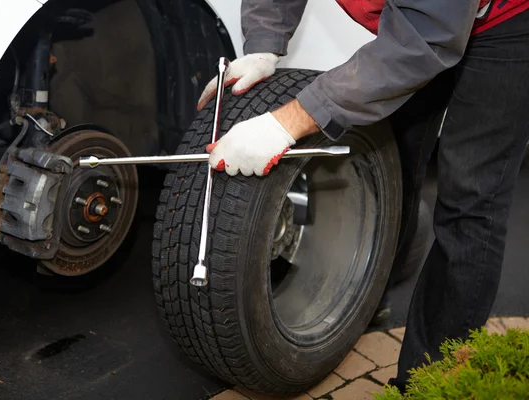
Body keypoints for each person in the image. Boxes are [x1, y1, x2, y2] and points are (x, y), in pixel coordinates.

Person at [197, 0, 529, 392]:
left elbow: (425, 40)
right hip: (416, 21)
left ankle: (430, 381)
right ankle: (368, 296)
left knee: (471, 200)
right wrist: (264, 43)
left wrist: (285, 124)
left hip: (506, 24)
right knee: (393, 163)